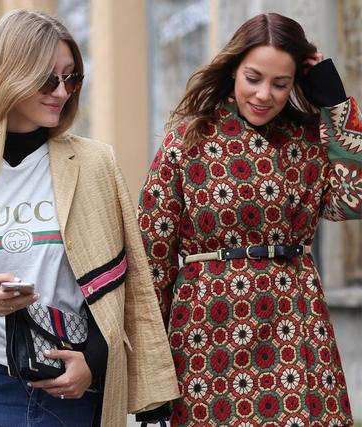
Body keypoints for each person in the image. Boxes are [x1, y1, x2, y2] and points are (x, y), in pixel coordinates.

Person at [0, 9, 179, 427]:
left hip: (69, 388)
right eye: (48, 80)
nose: (62, 92)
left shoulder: (94, 164)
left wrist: (91, 362)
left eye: (72, 78)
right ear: (9, 75)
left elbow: (123, 290)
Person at [138, 12, 360, 427]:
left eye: (280, 84)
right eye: (253, 78)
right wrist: (149, 370)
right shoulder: (188, 140)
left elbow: (354, 199)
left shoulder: (307, 140)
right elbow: (152, 257)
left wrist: (335, 105)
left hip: (295, 323)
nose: (264, 95)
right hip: (209, 334)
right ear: (233, 70)